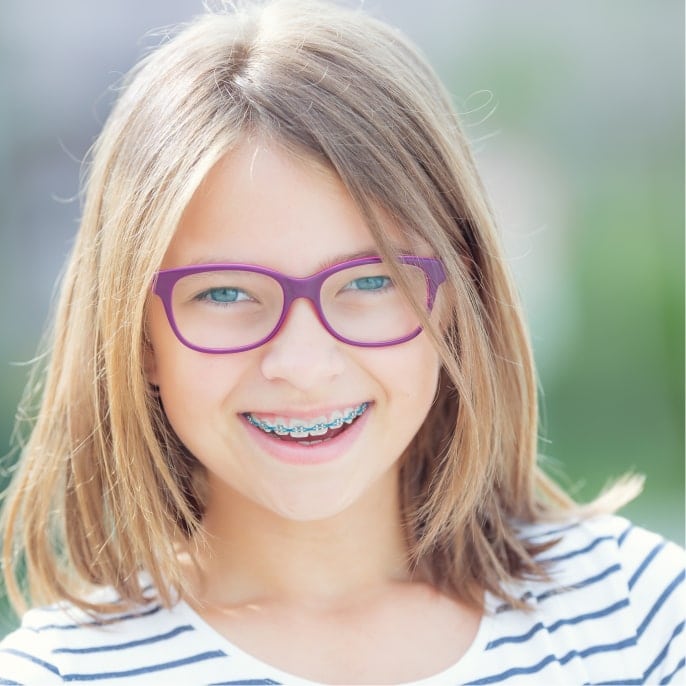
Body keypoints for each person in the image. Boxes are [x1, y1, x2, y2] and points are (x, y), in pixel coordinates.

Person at [0, 0, 683, 683]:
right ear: (138, 335)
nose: (302, 365)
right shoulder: (56, 674)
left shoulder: (640, 620)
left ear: (452, 300)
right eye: (226, 294)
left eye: (369, 282)